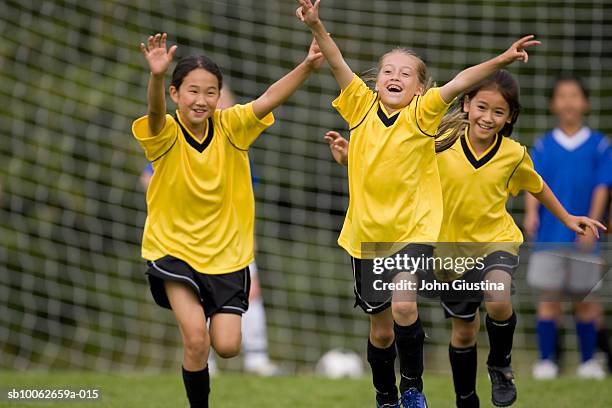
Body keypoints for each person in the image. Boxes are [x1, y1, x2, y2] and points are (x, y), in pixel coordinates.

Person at [296, 1, 541, 406]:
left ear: (419, 89)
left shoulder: (423, 114)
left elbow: (461, 82)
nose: (395, 76)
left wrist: (501, 59)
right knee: (381, 331)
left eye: (405, 73)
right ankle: (385, 395)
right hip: (366, 238)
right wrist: (317, 25)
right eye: (388, 70)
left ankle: (412, 388)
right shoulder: (359, 106)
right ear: (377, 81)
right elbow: (336, 60)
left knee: (405, 304)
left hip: (412, 233)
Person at [324, 70, 605, 407]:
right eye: (482, 107)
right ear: (467, 105)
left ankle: (500, 365)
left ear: (509, 117)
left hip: (495, 243)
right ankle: (466, 398)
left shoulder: (513, 154)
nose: (488, 118)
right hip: (449, 251)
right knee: (464, 332)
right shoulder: (438, 145)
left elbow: (538, 186)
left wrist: (567, 217)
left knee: (498, 297)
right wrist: (348, 157)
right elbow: (389, 165)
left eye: (498, 112)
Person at [132, 33, 323, 407]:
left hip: (226, 257)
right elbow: (154, 116)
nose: (201, 100)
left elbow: (269, 97)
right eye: (192, 91)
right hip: (173, 251)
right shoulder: (165, 134)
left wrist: (306, 66)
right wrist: (156, 76)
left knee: (228, 346)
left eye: (209, 92)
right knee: (196, 340)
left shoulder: (234, 128)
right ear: (175, 94)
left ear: (218, 96)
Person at [139, 88, 281, 377]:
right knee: (195, 298)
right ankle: (206, 359)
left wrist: (246, 232)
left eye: (222, 102)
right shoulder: (175, 140)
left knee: (250, 294)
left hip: (230, 240)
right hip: (186, 242)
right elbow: (148, 176)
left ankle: (256, 356)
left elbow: (245, 194)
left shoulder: (235, 144)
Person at [524, 76, 611, 380]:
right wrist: (531, 214)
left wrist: (592, 224)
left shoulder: (599, 144)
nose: (569, 102)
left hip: (584, 238)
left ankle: (588, 362)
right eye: (563, 96)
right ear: (553, 104)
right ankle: (546, 361)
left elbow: (603, 186)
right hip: (549, 236)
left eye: (575, 96)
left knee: (585, 301)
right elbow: (532, 182)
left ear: (585, 102)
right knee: (549, 301)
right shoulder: (543, 145)